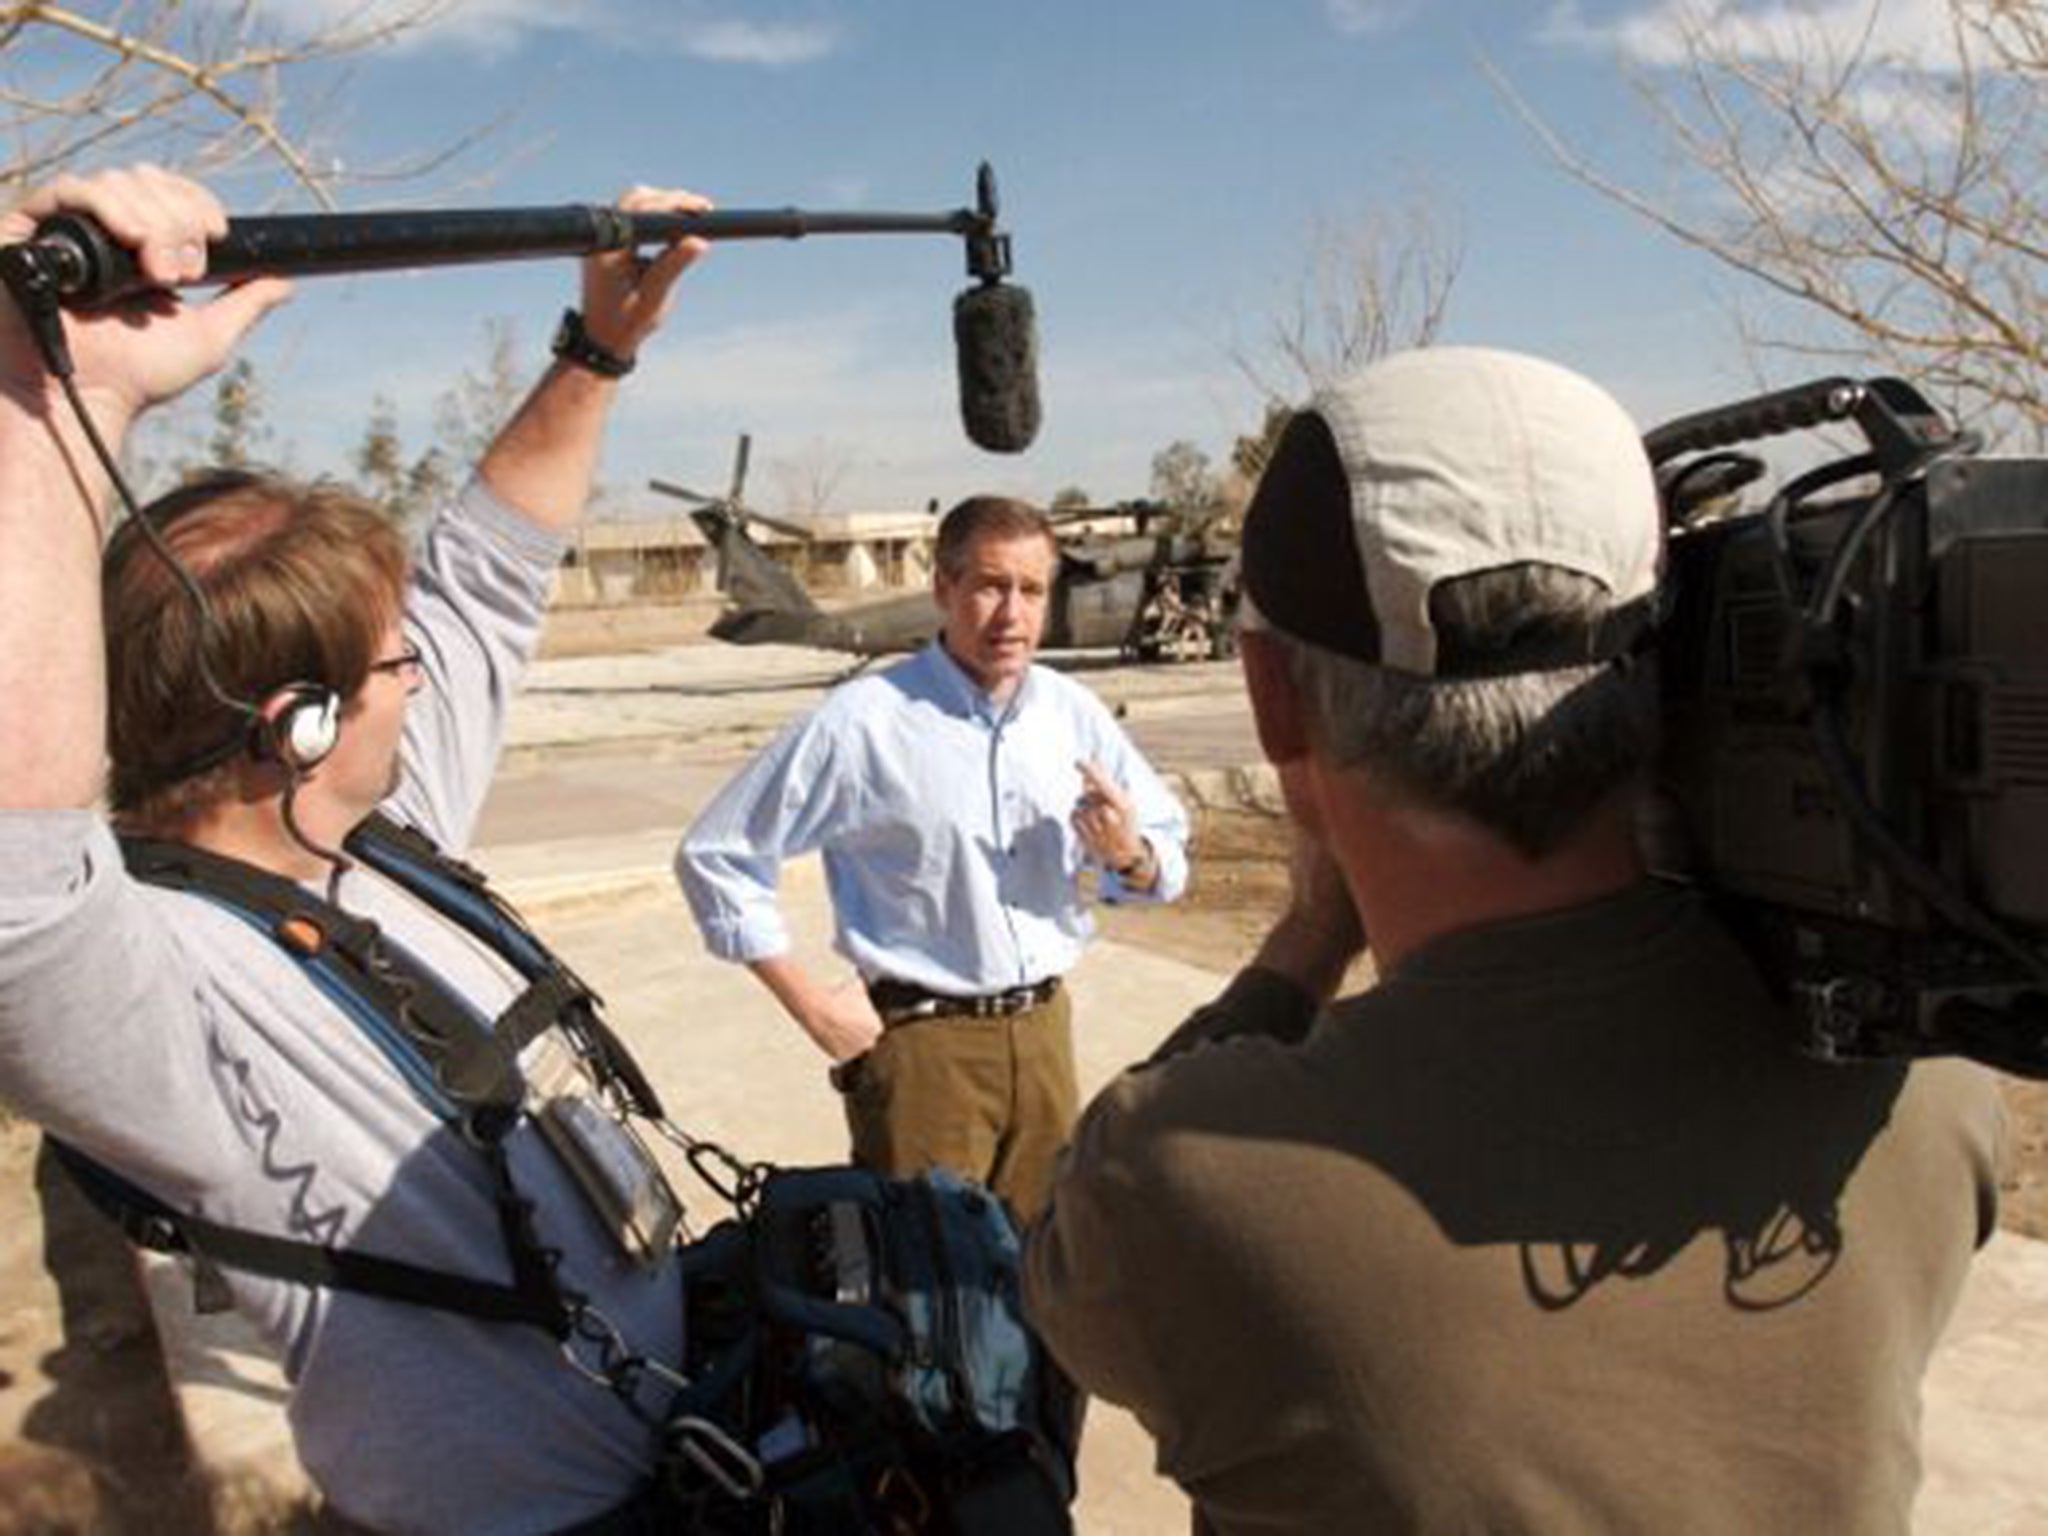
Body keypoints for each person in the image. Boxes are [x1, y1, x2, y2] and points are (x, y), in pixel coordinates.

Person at [1022, 347, 2007, 1533]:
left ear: (1271, 699)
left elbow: (1062, 1277)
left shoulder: (1172, 1177)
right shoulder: (1921, 1088)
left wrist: (1301, 941)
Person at [0, 164, 713, 1534]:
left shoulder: (372, 837)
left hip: (676, 1467)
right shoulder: (163, 1001)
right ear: (299, 721)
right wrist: (64, 394)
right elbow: (20, 882)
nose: (428, 679)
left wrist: (602, 341)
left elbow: (494, 563)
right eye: (398, 665)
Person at [677, 495, 1189, 1221]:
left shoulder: (1070, 714)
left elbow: (1167, 850)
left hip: (1045, 1036)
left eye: (1031, 590)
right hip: (922, 1052)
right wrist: (813, 1008)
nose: (1011, 614)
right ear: (943, 589)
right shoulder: (864, 723)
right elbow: (717, 855)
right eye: (988, 585)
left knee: (1047, 1273)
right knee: (931, 1297)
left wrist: (1130, 856)